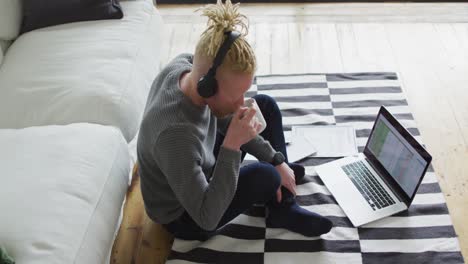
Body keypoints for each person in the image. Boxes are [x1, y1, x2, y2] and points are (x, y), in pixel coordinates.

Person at [137, 0, 332, 241]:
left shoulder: (187, 66)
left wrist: (276, 159)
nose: (241, 103)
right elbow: (206, 217)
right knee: (265, 176)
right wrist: (232, 146)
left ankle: (283, 203)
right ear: (207, 87)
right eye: (235, 95)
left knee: (265, 106)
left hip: (199, 161)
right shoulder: (176, 135)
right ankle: (280, 198)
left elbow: (225, 118)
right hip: (187, 215)